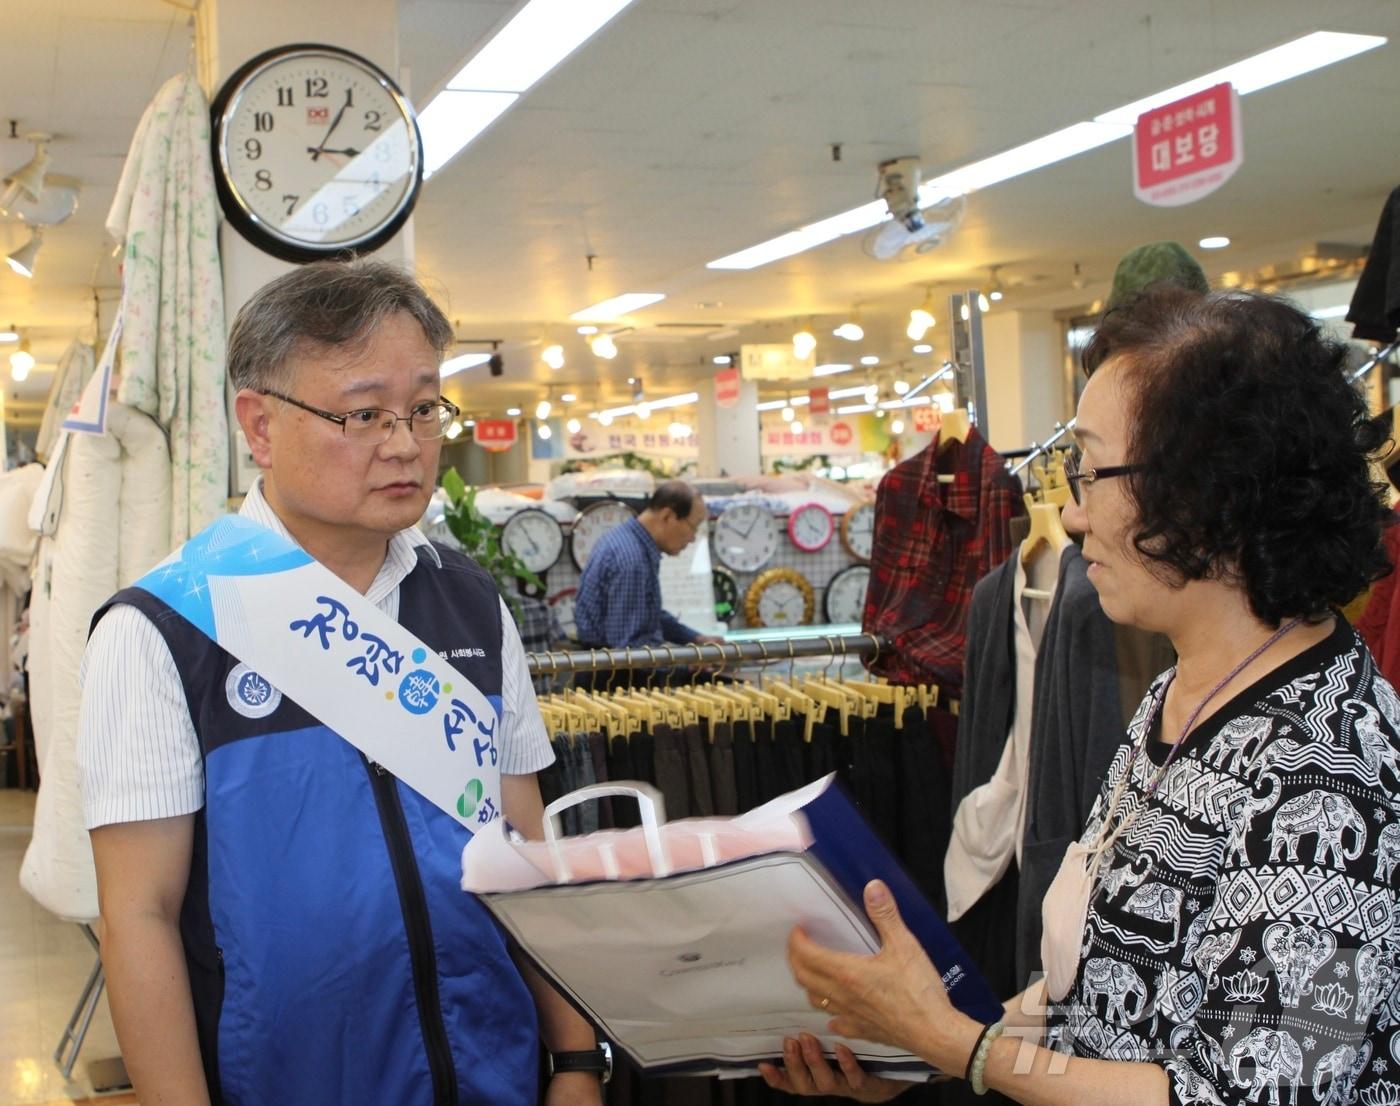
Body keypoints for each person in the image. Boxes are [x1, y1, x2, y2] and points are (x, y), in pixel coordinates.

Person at [762, 286, 1400, 1105]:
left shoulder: (1329, 769)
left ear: (1208, 491)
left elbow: (1232, 1096)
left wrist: (954, 1045)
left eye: (1092, 472)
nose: (1067, 513)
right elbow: (1091, 996)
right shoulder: (1186, 693)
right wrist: (914, 1052)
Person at [77, 260, 605, 1106]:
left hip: (491, 1071)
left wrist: (575, 1062)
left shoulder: (468, 603)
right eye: (362, 413)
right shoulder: (165, 631)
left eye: (424, 409)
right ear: (260, 425)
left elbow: (525, 844)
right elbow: (137, 915)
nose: (404, 443)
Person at [574, 480, 722, 649]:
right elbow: (629, 651)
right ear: (668, 516)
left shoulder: (630, 543)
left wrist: (696, 639)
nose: (693, 538)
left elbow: (648, 617)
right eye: (693, 527)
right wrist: (687, 666)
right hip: (613, 673)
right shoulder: (632, 560)